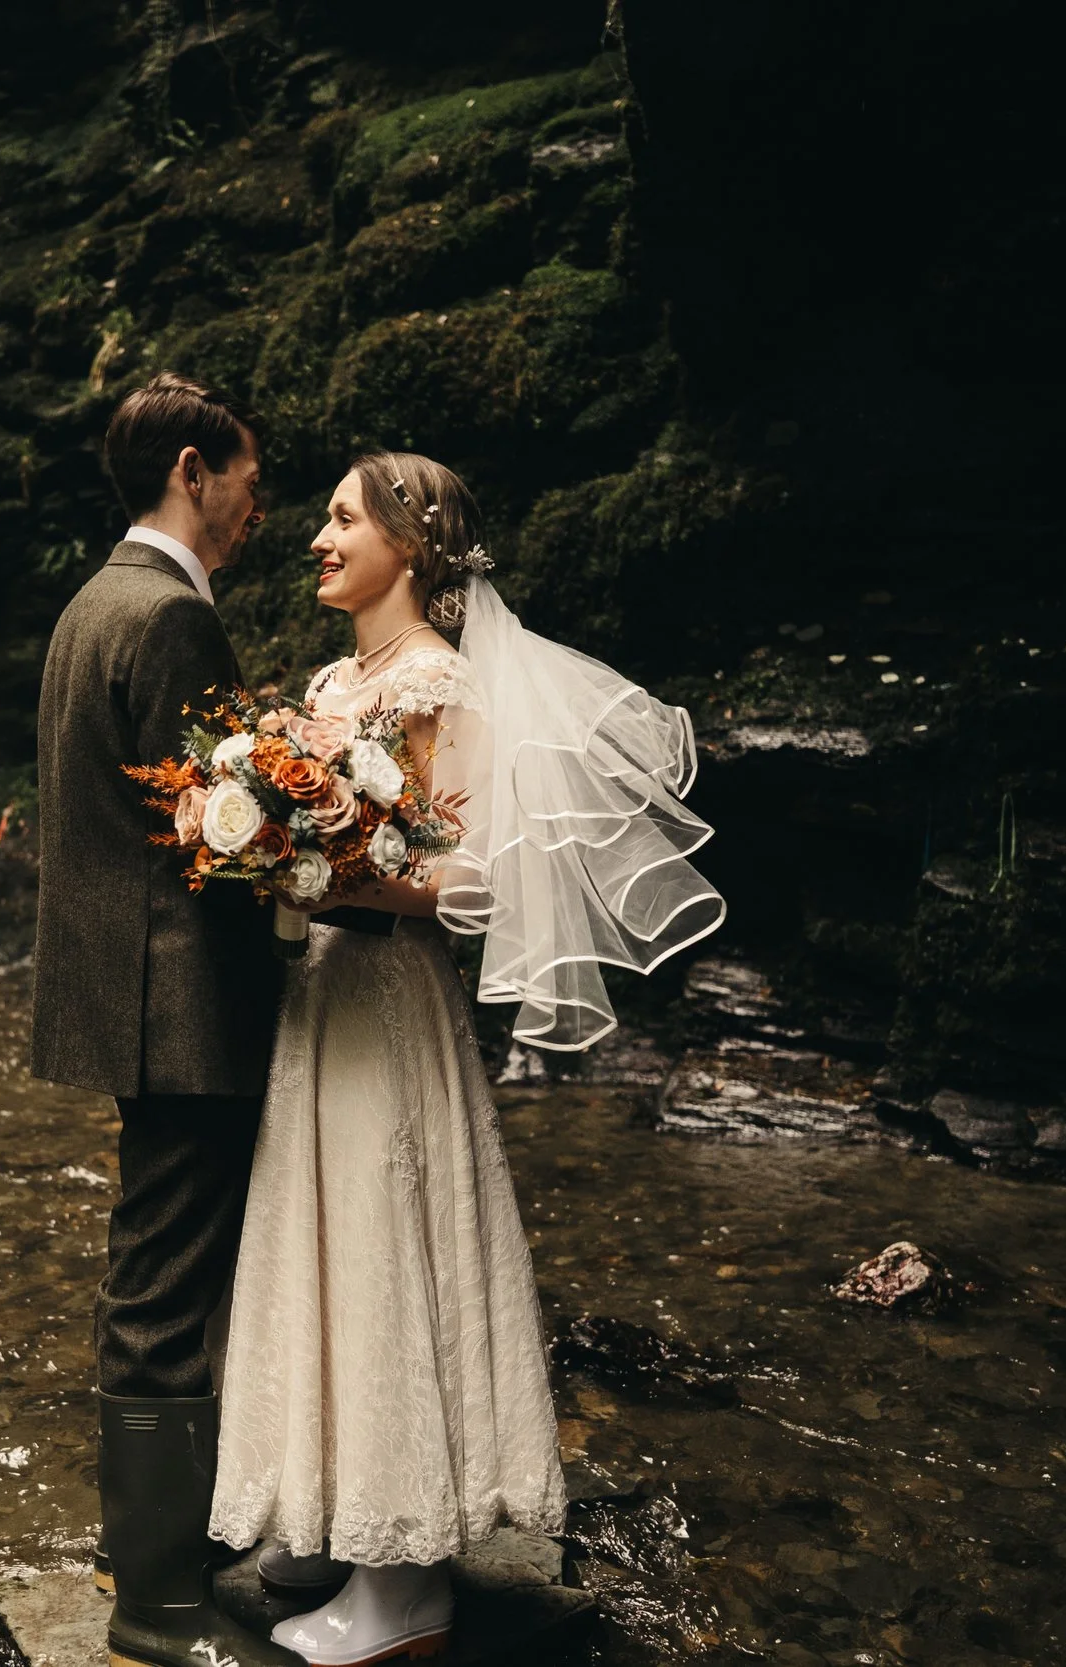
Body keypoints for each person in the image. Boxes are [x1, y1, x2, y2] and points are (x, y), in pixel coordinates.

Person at [207, 453, 724, 1664]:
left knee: (388, 1253)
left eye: (342, 520)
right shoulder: (335, 678)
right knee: (319, 1248)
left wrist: (337, 873)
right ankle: (331, 1515)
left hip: (387, 999)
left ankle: (406, 1590)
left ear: (411, 544)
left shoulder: (444, 680)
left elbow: (473, 876)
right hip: (320, 999)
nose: (318, 539)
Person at [31, 373, 299, 1667]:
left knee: (153, 1266)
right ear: (194, 470)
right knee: (168, 1283)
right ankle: (160, 1604)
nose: (258, 506)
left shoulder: (93, 602)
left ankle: (145, 1548)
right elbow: (226, 835)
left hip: (125, 991)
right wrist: (323, 879)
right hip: (184, 1000)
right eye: (247, 478)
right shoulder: (172, 618)